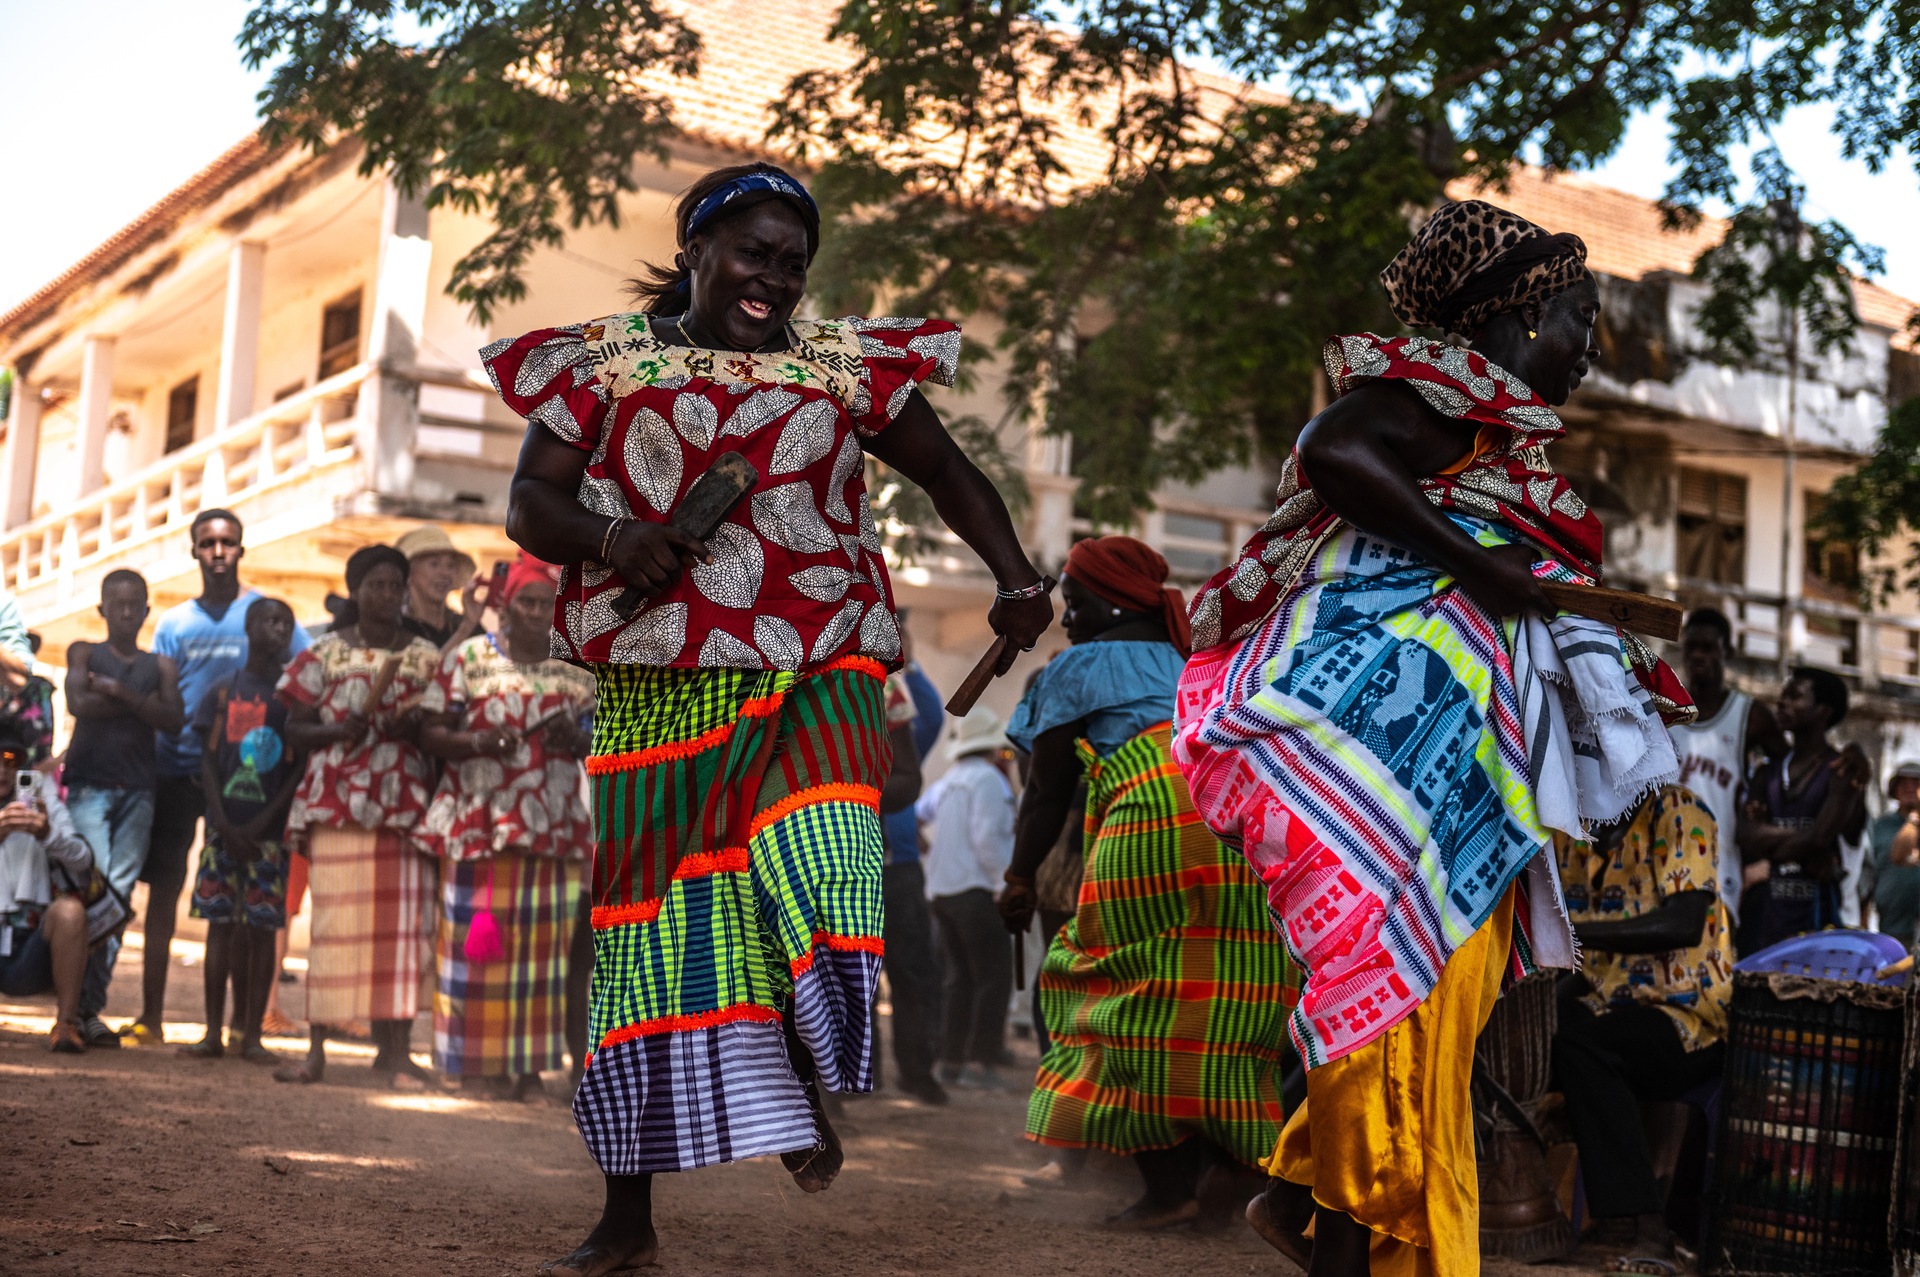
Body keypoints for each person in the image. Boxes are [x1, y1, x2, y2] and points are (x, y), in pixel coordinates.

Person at [490, 161, 1052, 1275]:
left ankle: (795, 1052)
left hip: (823, 648)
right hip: (666, 668)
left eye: (793, 262)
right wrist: (613, 540)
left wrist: (1016, 571)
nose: (775, 278)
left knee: (829, 853)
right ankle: (627, 1216)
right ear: (696, 247)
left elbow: (949, 469)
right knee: (649, 931)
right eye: (753, 252)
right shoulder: (604, 360)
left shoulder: (847, 363)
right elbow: (530, 502)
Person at [1173, 201, 1692, 1277]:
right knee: (1395, 1001)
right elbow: (1336, 448)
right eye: (1577, 317)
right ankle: (1350, 1239)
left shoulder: (1492, 437)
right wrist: (1480, 563)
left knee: (1427, 1007)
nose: (1588, 347)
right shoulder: (1432, 396)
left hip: (1443, 787)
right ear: (1515, 315)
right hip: (1379, 778)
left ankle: (1307, 1188)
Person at [1000, 536, 1294, 1228]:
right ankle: (1230, 1166)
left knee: (1115, 992)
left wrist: (1018, 874)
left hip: (1149, 823)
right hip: (1237, 826)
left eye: (1072, 604)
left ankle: (1170, 1188)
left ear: (1106, 603)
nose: (1065, 620)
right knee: (1223, 991)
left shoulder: (1077, 667)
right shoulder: (1199, 662)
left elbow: (1046, 792)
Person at [419, 553, 596, 1100]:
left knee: (541, 957)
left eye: (546, 603)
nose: (538, 612)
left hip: (555, 829)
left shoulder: (578, 674)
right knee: (476, 951)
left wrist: (579, 737)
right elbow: (429, 731)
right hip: (479, 824)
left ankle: (524, 1069)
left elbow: (603, 744)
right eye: (527, 601)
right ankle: (475, 1067)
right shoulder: (468, 659)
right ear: (507, 604)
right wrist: (476, 741)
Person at [135, 508, 310, 1045]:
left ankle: (241, 1029)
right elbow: (167, 694)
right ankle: (152, 1017)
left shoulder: (265, 612)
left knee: (248, 915)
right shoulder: (173, 622)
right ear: (193, 550)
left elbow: (301, 674)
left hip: (251, 787)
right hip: (178, 768)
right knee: (166, 895)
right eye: (207, 542)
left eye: (228, 542)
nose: (218, 551)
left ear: (240, 549)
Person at [273, 545, 441, 1087]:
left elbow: (438, 728)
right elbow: (294, 728)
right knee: (334, 927)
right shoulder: (323, 652)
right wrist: (334, 731)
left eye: (396, 585)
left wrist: (409, 727)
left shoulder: (425, 655)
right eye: (376, 585)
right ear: (355, 591)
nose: (387, 595)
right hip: (337, 802)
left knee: (401, 931)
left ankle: (393, 1055)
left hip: (402, 803)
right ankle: (317, 1052)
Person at [1551, 785, 1732, 1275]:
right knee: (1555, 1034)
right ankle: (1531, 1209)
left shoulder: (1678, 812)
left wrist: (1568, 935)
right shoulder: (1571, 829)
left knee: (1581, 1042)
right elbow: (1577, 967)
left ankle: (1644, 1223)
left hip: (1690, 1015)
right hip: (1609, 1005)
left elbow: (1684, 922)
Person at [63, 569, 184, 1047]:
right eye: (118, 603)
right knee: (92, 891)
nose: (128, 611)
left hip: (139, 791)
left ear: (148, 611)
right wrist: (141, 705)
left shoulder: (162, 666)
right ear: (102, 609)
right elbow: (77, 703)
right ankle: (74, 1008)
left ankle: (89, 1007)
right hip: (88, 787)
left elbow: (173, 720)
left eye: (136, 604)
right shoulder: (81, 651)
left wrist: (117, 692)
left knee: (118, 899)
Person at [181, 597, 302, 1063]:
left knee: (262, 930)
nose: (279, 630)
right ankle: (212, 1032)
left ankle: (250, 1035)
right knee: (219, 928)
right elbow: (207, 763)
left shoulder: (294, 696)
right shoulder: (223, 690)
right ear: (250, 628)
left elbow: (297, 769)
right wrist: (224, 821)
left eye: (286, 624)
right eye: (271, 621)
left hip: (269, 835)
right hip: (222, 830)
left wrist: (262, 821)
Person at [916, 706, 1015, 1090]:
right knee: (993, 978)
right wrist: (1005, 883)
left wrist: (935, 854)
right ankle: (980, 1061)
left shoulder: (950, 780)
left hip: (943, 892)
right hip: (976, 891)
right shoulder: (989, 780)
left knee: (958, 980)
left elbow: (916, 817)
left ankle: (951, 1060)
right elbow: (988, 838)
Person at [1735, 668, 1867, 955]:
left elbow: (1820, 838)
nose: (1782, 703)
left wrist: (1770, 842)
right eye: (1783, 695)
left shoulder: (1842, 770)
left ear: (1823, 711)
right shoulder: (1768, 773)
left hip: (1826, 929)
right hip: (1770, 930)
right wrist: (1807, 843)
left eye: (1795, 696)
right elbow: (1745, 833)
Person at [1670, 607, 1785, 925]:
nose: (1697, 656)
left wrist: (1760, 796)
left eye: (1707, 648)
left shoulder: (1750, 714)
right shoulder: (1665, 709)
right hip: (1664, 852)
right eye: (1691, 647)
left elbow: (1785, 765)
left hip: (1722, 858)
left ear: (1727, 652)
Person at [0, 718, 98, 1052]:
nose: (1, 771)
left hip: (31, 946)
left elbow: (84, 860)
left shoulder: (41, 796)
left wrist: (48, 834)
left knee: (70, 912)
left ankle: (67, 1024)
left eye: (10, 761)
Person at [877, 621, 941, 1103]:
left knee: (912, 970)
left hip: (896, 860)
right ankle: (858, 1076)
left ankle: (917, 1072)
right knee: (847, 975)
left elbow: (933, 720)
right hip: (845, 859)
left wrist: (908, 661)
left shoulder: (891, 688)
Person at [397, 524, 483, 651]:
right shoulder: (398, 629)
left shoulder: (462, 623)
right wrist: (466, 628)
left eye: (450, 565)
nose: (445, 573)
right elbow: (429, 669)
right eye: (434, 564)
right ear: (409, 573)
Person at [1869, 762, 1920, 945]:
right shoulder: (1880, 827)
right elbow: (1867, 874)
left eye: (1916, 783)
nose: (1910, 788)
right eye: (1903, 783)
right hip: (1893, 927)